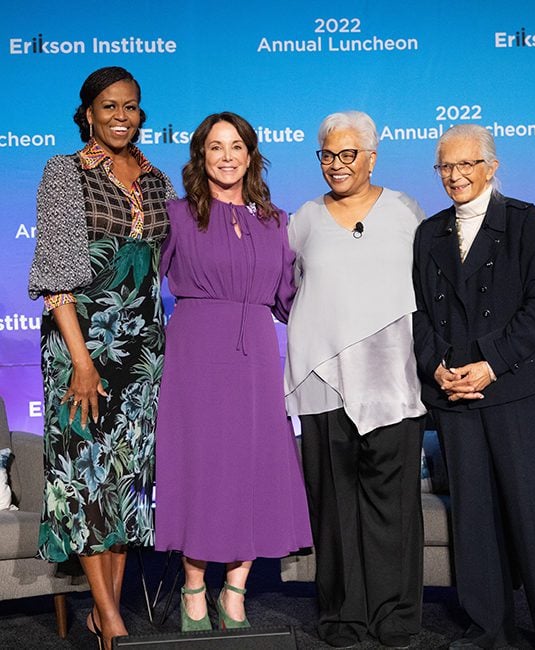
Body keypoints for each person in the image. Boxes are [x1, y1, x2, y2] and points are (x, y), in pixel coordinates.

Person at [28, 66, 177, 650]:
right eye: (109, 106)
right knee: (85, 473)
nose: (121, 116)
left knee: (126, 477)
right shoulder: (63, 172)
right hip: (80, 346)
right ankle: (111, 617)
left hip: (141, 348)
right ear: (88, 112)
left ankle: (103, 611)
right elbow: (57, 277)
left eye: (132, 107)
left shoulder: (158, 179)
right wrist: (82, 360)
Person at [412, 124, 535, 650]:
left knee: (531, 518)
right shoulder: (429, 232)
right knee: (475, 522)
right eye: (446, 167)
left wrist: (490, 363)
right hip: (456, 396)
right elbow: (419, 314)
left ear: (492, 166)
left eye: (466, 165)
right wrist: (435, 367)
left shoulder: (526, 222)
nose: (455, 176)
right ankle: (489, 629)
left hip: (519, 392)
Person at [154, 112, 312, 632]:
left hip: (259, 358)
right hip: (195, 354)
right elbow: (135, 286)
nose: (226, 156)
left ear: (251, 155)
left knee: (254, 466)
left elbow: (293, 300)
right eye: (215, 147)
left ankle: (236, 590)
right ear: (201, 156)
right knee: (202, 468)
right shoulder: (176, 216)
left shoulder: (277, 221)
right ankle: (194, 588)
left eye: (236, 146)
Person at [284, 110, 427, 649]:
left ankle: (395, 613)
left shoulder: (406, 211)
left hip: (393, 378)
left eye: (348, 155)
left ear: (371, 157)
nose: (337, 165)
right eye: (327, 155)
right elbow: (283, 288)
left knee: (392, 504)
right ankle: (343, 615)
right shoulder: (303, 219)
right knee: (333, 504)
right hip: (322, 381)